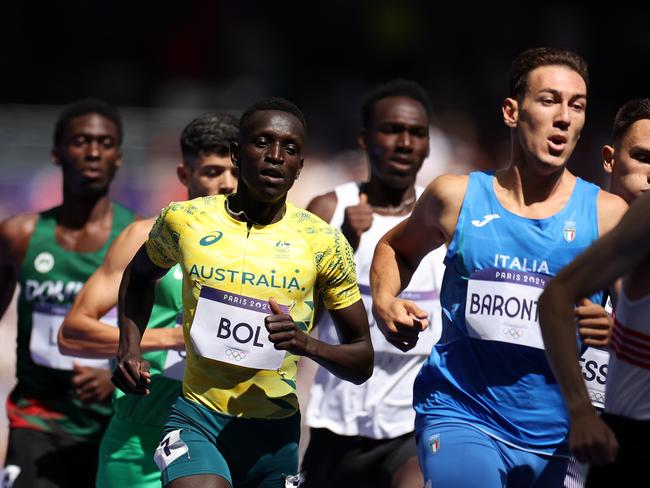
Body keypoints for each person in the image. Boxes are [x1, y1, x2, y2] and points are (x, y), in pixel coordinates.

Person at [370, 47, 628, 487]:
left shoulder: (606, 216)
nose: (564, 117)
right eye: (548, 101)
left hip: (566, 439)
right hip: (462, 414)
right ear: (512, 111)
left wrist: (614, 330)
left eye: (577, 105)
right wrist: (384, 301)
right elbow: (397, 249)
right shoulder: (456, 197)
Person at [112, 97, 374, 488]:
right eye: (262, 142)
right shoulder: (185, 220)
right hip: (197, 418)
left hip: (274, 436)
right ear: (236, 153)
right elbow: (138, 277)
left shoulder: (323, 242)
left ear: (300, 166)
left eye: (289, 149)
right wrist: (128, 347)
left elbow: (361, 357)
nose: (274, 156)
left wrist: (304, 343)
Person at [57, 112, 239, 488]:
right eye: (212, 172)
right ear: (184, 175)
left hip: (222, 437)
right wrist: (154, 343)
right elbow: (72, 332)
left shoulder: (268, 248)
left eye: (236, 172)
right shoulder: (144, 237)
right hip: (139, 445)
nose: (226, 184)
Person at [301, 79, 444, 488]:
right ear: (365, 138)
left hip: (413, 422)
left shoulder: (444, 221)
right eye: (391, 130)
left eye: (416, 133)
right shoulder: (329, 209)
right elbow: (299, 319)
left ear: (428, 145)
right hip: (335, 418)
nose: (404, 142)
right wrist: (343, 244)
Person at [0, 98, 135, 487]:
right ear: (57, 154)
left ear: (119, 157)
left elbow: (166, 334)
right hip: (36, 421)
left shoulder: (141, 239)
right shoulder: (19, 236)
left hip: (114, 428)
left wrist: (113, 376)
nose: (93, 151)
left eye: (105, 143)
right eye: (81, 141)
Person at [539, 97, 650, 487]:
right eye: (642, 156)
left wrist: (615, 335)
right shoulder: (557, 225)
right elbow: (548, 300)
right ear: (609, 158)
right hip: (547, 431)